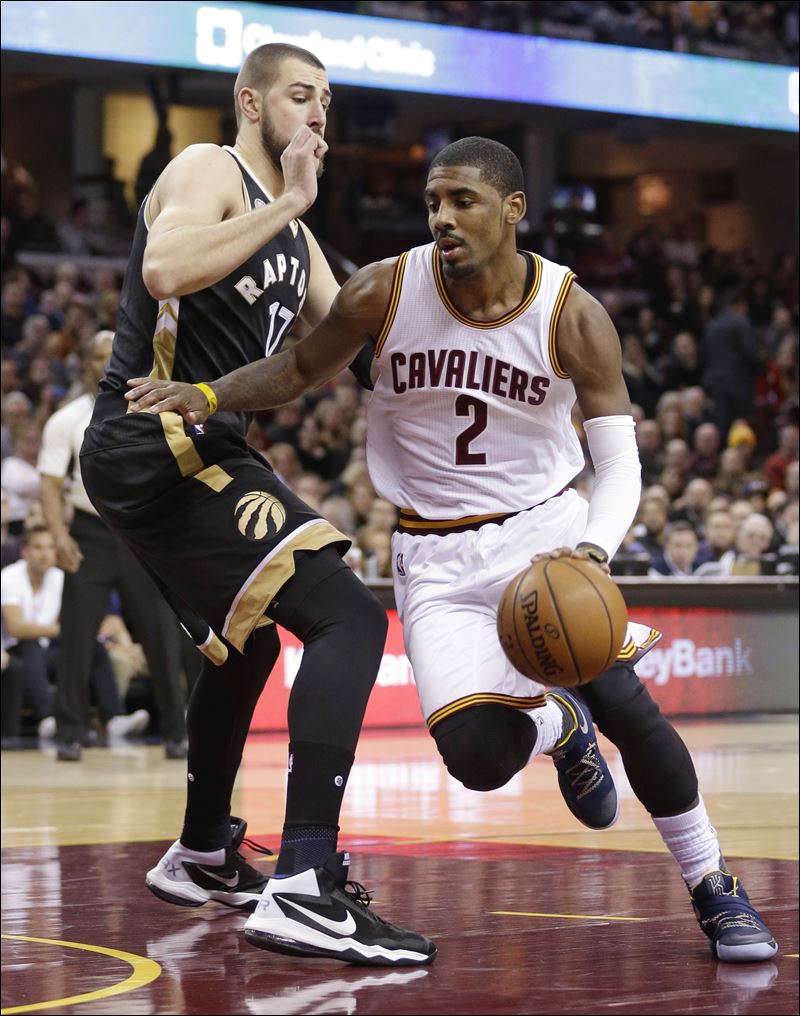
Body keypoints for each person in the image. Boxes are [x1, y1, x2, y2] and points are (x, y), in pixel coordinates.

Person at [129, 137, 778, 965]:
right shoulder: (384, 290)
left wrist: (591, 552)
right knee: (476, 760)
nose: (443, 217)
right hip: (433, 557)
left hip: (542, 534)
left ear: (513, 210)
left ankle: (713, 884)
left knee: (620, 693)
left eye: (463, 200)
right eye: (434, 201)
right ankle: (554, 727)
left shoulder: (570, 312)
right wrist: (210, 392)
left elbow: (619, 463)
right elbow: (298, 368)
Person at [78, 43, 434, 966]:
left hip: (197, 445)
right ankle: (308, 882)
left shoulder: (299, 236)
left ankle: (201, 852)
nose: (318, 115)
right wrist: (287, 205)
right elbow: (163, 270)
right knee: (348, 619)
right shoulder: (214, 170)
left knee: (251, 647)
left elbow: (355, 338)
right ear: (251, 103)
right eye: (301, 97)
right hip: (153, 436)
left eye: (328, 102)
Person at [38, 330, 187, 761]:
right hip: (90, 533)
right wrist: (59, 536)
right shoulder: (66, 419)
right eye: (97, 356)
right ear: (86, 363)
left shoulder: (154, 411)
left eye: (112, 354)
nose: (105, 362)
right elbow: (50, 484)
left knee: (162, 635)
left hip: (142, 531)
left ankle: (177, 731)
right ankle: (71, 731)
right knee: (77, 635)